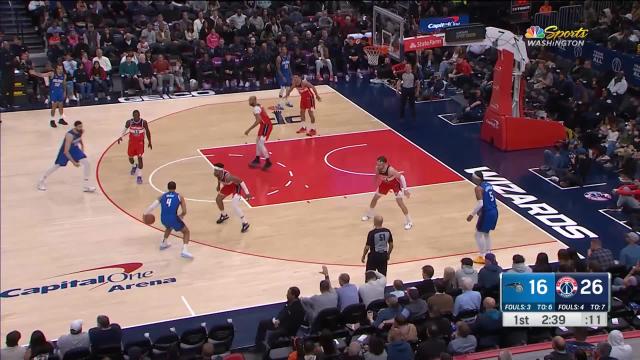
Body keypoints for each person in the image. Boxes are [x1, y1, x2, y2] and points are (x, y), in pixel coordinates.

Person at [38, 121, 96, 192]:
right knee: (56, 166)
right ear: (75, 127)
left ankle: (86, 185)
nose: (81, 128)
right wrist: (74, 162)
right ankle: (41, 180)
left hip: (74, 149)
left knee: (87, 163)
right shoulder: (69, 135)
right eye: (79, 127)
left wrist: (82, 147)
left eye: (81, 126)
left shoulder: (81, 131)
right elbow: (66, 151)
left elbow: (79, 138)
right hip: (65, 151)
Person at [143, 181, 193, 259]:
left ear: (168, 188)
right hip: (173, 218)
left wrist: (145, 214)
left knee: (169, 227)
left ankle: (164, 243)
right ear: (175, 188)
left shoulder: (162, 196)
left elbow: (152, 207)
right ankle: (185, 251)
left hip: (163, 218)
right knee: (186, 232)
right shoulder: (179, 196)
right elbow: (184, 211)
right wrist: (181, 216)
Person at [362, 156, 413, 230]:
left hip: (394, 184)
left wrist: (405, 189)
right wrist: (374, 183)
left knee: (400, 203)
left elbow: (401, 177)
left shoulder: (390, 170)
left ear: (385, 164)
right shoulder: (377, 168)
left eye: (380, 164)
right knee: (375, 198)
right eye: (377, 164)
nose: (378, 166)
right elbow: (377, 175)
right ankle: (369, 214)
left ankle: (409, 222)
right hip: (385, 184)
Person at [254, 287, 305, 351]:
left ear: (293, 295)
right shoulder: (289, 302)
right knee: (262, 323)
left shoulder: (298, 309)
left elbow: (294, 324)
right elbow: (283, 312)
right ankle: (258, 347)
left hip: (288, 329)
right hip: (280, 323)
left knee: (272, 335)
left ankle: (270, 352)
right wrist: (278, 320)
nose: (286, 295)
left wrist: (280, 325)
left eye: (288, 293)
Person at [466, 171, 498, 264]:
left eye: (473, 177)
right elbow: (488, 198)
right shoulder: (488, 185)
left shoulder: (478, 188)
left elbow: (481, 203)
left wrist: (471, 214)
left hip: (487, 212)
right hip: (494, 211)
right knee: (486, 233)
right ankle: (489, 254)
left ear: (477, 179)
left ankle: (482, 256)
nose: (472, 179)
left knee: (478, 234)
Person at [213, 163, 251, 233]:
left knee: (234, 206)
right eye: (214, 170)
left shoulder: (228, 177)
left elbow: (241, 181)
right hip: (228, 186)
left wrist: (247, 193)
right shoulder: (218, 174)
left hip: (236, 187)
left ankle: (245, 223)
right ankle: (224, 215)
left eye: (216, 170)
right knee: (218, 199)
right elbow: (218, 178)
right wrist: (218, 185)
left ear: (221, 171)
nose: (214, 172)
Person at [117, 110, 152, 185]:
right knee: (130, 158)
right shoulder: (129, 122)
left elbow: (148, 132)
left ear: (139, 115)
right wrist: (121, 137)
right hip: (131, 143)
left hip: (140, 143)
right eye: (135, 115)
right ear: (133, 116)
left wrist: (150, 142)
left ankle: (139, 176)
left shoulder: (143, 122)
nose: (136, 117)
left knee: (140, 158)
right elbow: (124, 129)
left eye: (137, 115)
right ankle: (134, 166)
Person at [244, 96, 273, 170]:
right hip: (264, 125)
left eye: (250, 100)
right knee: (257, 141)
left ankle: (268, 161)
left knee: (261, 143)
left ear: (254, 100)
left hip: (266, 126)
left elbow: (259, 120)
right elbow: (265, 115)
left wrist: (249, 129)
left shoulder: (256, 109)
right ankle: (257, 159)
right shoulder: (259, 105)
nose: (249, 102)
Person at [39, 64, 68, 128]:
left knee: (61, 106)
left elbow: (64, 84)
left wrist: (64, 92)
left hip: (60, 92)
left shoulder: (64, 75)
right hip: (53, 92)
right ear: (56, 69)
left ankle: (61, 119)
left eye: (61, 69)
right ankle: (52, 120)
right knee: (54, 106)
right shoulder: (52, 74)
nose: (60, 70)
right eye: (59, 69)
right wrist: (34, 73)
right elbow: (42, 75)